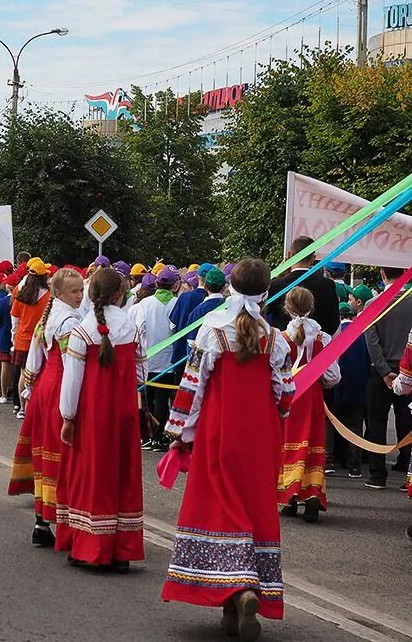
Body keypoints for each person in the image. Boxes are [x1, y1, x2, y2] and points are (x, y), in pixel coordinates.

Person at [161, 258, 294, 641]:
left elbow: (192, 387)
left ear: (231, 288)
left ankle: (235, 596)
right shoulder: (275, 338)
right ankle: (245, 595)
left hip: (219, 432)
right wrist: (278, 415)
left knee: (219, 507)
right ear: (266, 292)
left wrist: (180, 433)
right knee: (255, 508)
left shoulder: (211, 332)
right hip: (260, 435)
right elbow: (283, 393)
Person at [55, 267, 145, 570]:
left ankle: (90, 546)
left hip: (93, 414)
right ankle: (122, 550)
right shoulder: (132, 329)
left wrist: (67, 416)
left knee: (92, 475)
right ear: (120, 295)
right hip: (124, 413)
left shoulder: (82, 332)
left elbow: (72, 380)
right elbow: (140, 374)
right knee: (124, 475)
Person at [10, 267, 86, 546]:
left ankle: (41, 521)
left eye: (80, 290)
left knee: (45, 452)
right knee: (61, 453)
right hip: (59, 388)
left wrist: (29, 388)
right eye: (74, 291)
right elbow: (72, 362)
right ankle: (62, 518)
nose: (79, 296)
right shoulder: (68, 321)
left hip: (44, 387)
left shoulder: (49, 317)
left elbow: (33, 359)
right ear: (58, 293)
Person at [278, 287, 340, 523]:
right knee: (312, 443)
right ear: (312, 307)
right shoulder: (323, 338)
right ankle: (312, 496)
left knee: (288, 443)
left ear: (288, 308)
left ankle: (290, 497)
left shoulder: (281, 338)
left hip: (289, 395)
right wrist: (320, 379)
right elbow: (334, 376)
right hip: (312, 395)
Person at [364, 266, 412, 489]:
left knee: (376, 422)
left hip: (379, 371)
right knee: (406, 421)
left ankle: (377, 474)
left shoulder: (373, 304)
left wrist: (384, 372)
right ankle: (406, 469)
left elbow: (371, 342)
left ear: (383, 274)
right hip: (408, 370)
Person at [130, 265, 179, 452]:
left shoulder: (144, 304)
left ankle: (149, 436)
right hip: (168, 360)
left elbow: (138, 328)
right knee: (163, 398)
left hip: (148, 357)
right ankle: (160, 437)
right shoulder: (176, 303)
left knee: (148, 398)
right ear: (174, 285)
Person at [266, 236, 340, 335]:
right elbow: (333, 324)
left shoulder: (275, 286)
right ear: (313, 258)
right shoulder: (327, 286)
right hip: (319, 347)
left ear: (288, 254)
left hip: (283, 347)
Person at [329, 302, 370, 478]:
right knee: (354, 425)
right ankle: (355, 465)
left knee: (332, 423)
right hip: (358, 387)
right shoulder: (362, 334)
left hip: (337, 387)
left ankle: (330, 460)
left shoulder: (334, 335)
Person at [10, 259, 51, 406]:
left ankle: (21, 407)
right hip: (39, 339)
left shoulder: (21, 294)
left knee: (23, 373)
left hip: (22, 338)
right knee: (37, 374)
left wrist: (13, 337)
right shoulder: (48, 296)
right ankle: (32, 406)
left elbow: (14, 318)